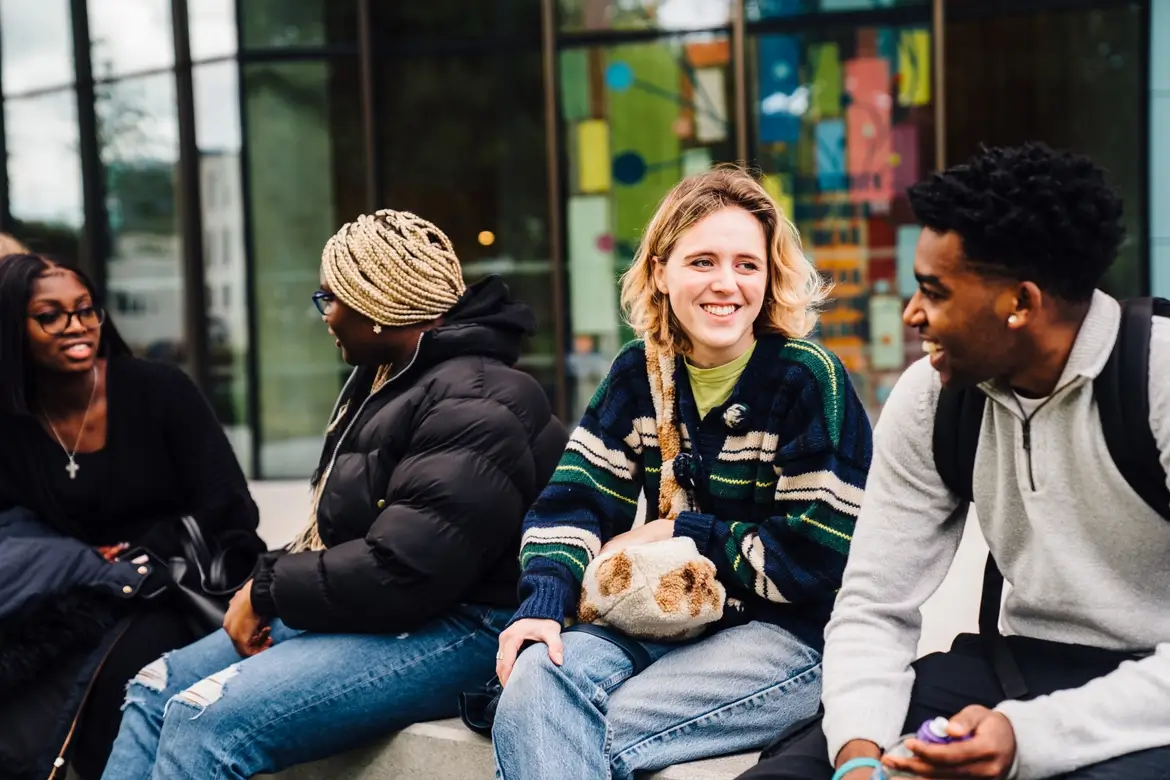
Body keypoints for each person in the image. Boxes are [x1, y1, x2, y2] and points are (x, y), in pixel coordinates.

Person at [738, 143, 1170, 780]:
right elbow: (874, 604)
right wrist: (859, 754)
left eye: (934, 292)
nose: (912, 314)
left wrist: (1024, 738)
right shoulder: (933, 396)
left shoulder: (1157, 379)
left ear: (1020, 304)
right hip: (1013, 667)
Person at [103, 209, 567, 780]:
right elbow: (357, 538)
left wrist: (268, 588)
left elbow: (407, 569)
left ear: (378, 306)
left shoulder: (478, 399)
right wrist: (270, 585)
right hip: (385, 604)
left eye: (331, 299)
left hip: (464, 626)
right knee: (154, 690)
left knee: (204, 720)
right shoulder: (390, 377)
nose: (326, 316)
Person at [491, 166, 874, 779]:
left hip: (793, 637)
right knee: (537, 680)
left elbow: (815, 559)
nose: (727, 283)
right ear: (661, 273)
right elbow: (574, 501)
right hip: (672, 614)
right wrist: (544, 601)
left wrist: (680, 532)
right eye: (702, 262)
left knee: (566, 728)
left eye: (747, 265)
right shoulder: (638, 373)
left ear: (769, 278)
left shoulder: (807, 379)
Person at [0, 254, 265, 780]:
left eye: (85, 310)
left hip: (176, 583)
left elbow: (229, 504)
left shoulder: (157, 388)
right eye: (50, 316)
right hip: (77, 588)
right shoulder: (11, 420)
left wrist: (140, 553)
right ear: (12, 329)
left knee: (118, 682)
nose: (76, 325)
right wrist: (76, 561)